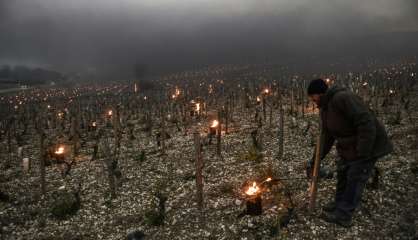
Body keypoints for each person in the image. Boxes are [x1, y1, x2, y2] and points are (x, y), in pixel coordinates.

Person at [306, 78, 393, 227]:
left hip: (368, 145)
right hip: (349, 147)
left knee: (355, 178)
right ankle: (339, 203)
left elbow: (366, 122)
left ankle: (344, 215)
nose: (312, 100)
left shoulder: (343, 98)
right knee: (343, 174)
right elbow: (327, 137)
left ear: (319, 93)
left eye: (312, 96)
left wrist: (363, 151)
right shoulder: (325, 108)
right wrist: (316, 159)